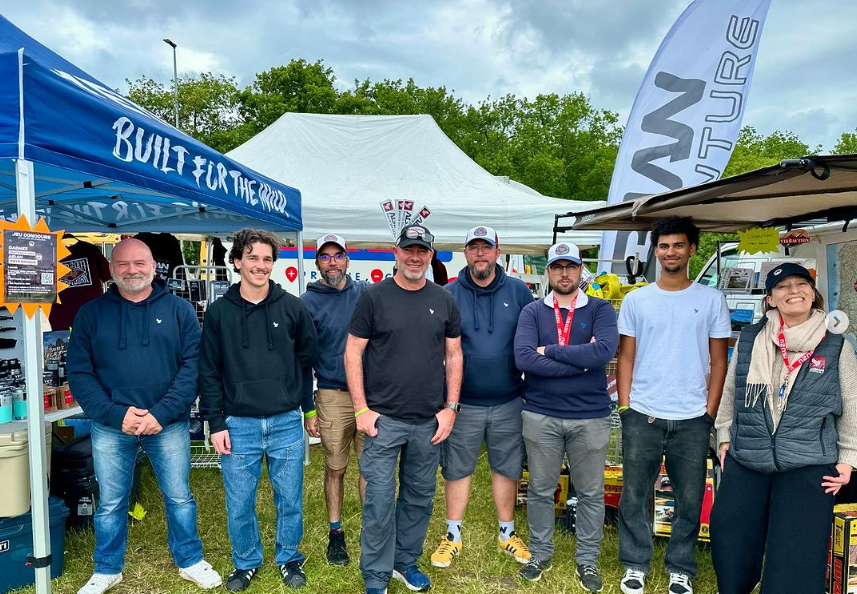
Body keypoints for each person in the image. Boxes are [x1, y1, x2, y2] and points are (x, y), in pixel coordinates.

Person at [68, 238, 221, 594]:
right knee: (111, 502)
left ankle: (190, 560)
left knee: (179, 496)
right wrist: (114, 414)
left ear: (153, 267)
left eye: (139, 263)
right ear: (111, 269)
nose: (132, 270)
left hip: (166, 424)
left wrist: (161, 413)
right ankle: (108, 569)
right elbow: (79, 372)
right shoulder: (90, 313)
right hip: (112, 425)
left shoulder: (181, 310)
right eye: (123, 264)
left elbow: (193, 367)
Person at [711, 263, 857, 594]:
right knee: (730, 537)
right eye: (783, 286)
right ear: (771, 299)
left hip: (807, 463)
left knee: (795, 554)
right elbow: (732, 393)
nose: (794, 291)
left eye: (801, 284)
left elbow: (851, 405)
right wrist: (724, 437)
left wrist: (848, 459)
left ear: (813, 294)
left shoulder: (836, 345)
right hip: (748, 457)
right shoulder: (751, 340)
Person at [345, 224, 463, 594]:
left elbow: (454, 354)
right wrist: (361, 409)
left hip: (429, 421)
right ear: (396, 253)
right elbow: (353, 352)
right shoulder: (374, 297)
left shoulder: (444, 299)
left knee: (418, 497)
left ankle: (404, 562)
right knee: (379, 500)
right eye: (408, 250)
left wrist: (451, 408)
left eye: (421, 251)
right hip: (383, 420)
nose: (414, 257)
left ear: (431, 256)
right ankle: (376, 575)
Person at [198, 228, 319, 591]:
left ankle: (289, 557)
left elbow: (306, 363)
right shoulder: (219, 313)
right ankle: (246, 561)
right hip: (237, 424)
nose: (260, 265)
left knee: (290, 499)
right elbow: (209, 371)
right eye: (252, 257)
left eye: (267, 259)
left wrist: (307, 409)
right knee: (239, 502)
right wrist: (216, 422)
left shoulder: (293, 307)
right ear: (237, 262)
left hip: (285, 421)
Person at [616, 216, 730, 594]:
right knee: (635, 494)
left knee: (690, 499)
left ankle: (680, 568)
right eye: (664, 246)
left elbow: (719, 362)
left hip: (693, 417)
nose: (670, 252)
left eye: (678, 245)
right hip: (643, 413)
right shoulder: (637, 300)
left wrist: (709, 413)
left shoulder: (711, 299)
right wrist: (626, 407)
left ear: (691, 249)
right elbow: (626, 357)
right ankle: (635, 563)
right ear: (656, 251)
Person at [513, 242, 619, 589]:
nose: (564, 273)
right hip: (541, 414)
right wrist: (580, 361)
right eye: (557, 267)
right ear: (548, 271)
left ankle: (587, 560)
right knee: (541, 489)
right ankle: (540, 553)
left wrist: (551, 352)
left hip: (590, 416)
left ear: (580, 269)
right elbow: (525, 359)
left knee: (590, 492)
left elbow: (603, 352)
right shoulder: (532, 312)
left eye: (570, 266)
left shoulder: (601, 309)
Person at [431, 226, 533, 569]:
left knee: (507, 466)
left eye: (486, 247)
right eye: (473, 247)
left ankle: (507, 534)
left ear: (497, 252)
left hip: (509, 399)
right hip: (463, 403)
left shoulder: (518, 291)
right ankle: (452, 536)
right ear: (465, 252)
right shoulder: (448, 293)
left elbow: (532, 341)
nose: (480, 254)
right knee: (457, 468)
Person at [300, 233, 369, 565]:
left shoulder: (366, 294)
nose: (332, 262)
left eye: (338, 255)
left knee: (371, 467)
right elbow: (301, 359)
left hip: (370, 396)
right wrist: (308, 408)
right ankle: (336, 533)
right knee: (335, 467)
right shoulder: (307, 303)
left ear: (347, 260)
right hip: (332, 394)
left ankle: (373, 531)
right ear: (317, 263)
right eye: (325, 257)